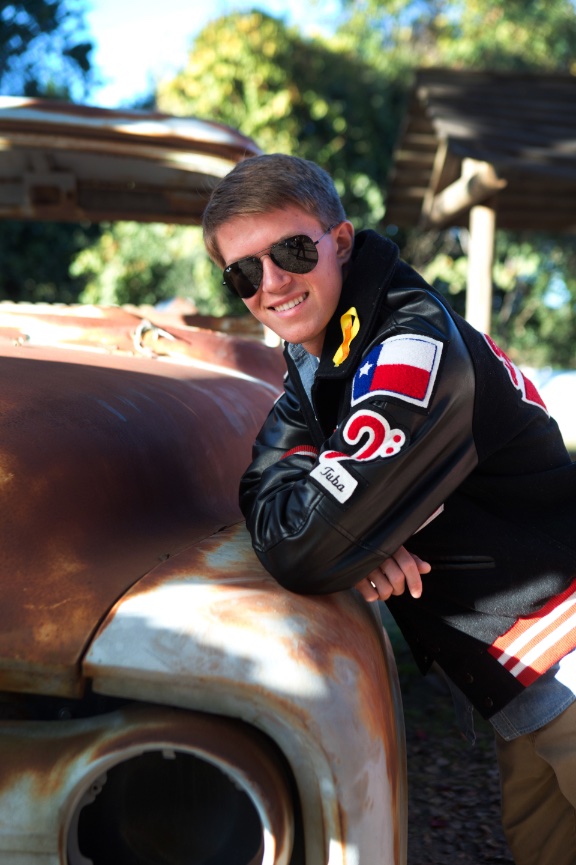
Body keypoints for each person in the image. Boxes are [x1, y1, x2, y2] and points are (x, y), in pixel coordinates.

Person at [202, 153, 576, 865]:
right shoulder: (320, 362)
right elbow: (262, 493)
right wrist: (365, 531)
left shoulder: (407, 341)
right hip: (522, 679)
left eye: (290, 250)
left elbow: (304, 545)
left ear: (339, 242)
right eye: (244, 273)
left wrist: (353, 532)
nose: (272, 282)